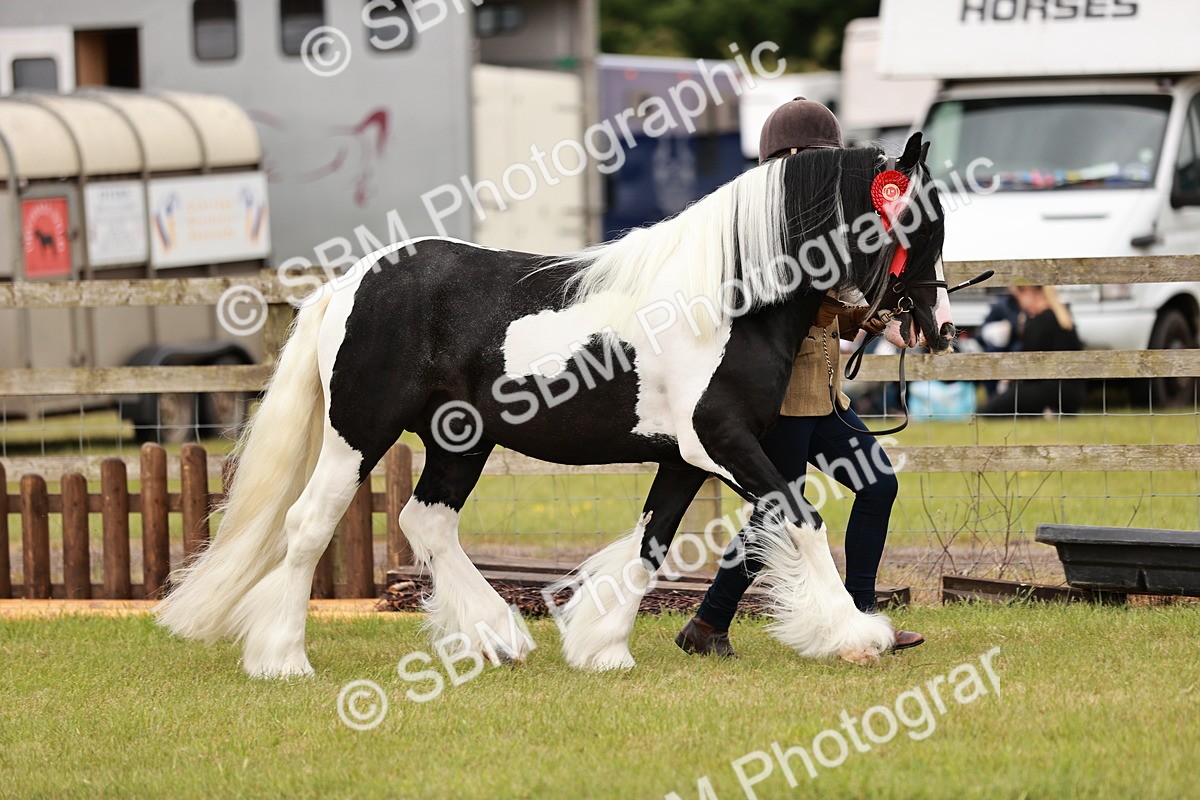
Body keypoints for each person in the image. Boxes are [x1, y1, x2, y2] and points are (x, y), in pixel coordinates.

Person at [676, 98, 924, 656]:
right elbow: (801, 301)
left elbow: (842, 294)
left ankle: (860, 612)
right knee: (775, 515)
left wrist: (887, 324)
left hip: (827, 399)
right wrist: (861, 312)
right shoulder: (762, 228)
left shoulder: (823, 222)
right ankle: (710, 622)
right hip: (782, 402)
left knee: (877, 485)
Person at [981, 286, 1085, 415]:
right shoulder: (1062, 317)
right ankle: (1047, 412)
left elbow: (1027, 364)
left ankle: (1046, 411)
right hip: (1072, 392)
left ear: (1029, 292)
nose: (1019, 304)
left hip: (1049, 389)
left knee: (991, 410)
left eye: (1018, 298)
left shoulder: (1039, 322)